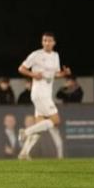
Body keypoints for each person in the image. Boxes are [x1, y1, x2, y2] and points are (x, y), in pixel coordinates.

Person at [16, 32, 71, 160]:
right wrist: (33, 75)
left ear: (54, 43)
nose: (47, 43)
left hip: (46, 93)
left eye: (49, 40)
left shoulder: (55, 56)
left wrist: (64, 73)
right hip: (39, 93)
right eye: (44, 40)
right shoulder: (36, 55)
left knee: (39, 128)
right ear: (42, 42)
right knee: (56, 120)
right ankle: (25, 132)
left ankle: (24, 153)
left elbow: (54, 74)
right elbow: (21, 68)